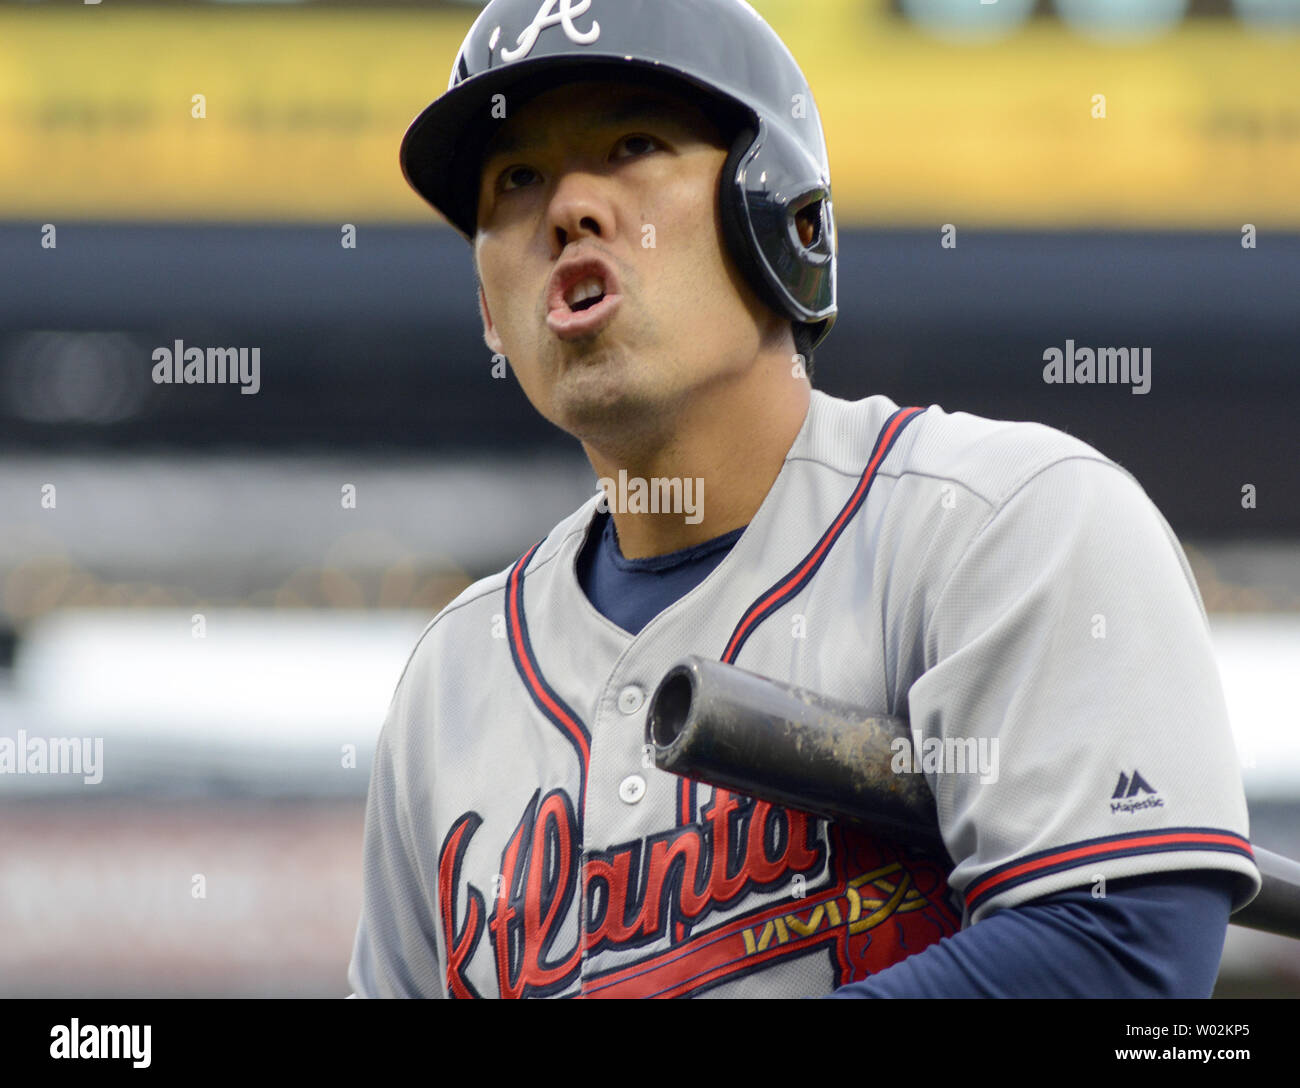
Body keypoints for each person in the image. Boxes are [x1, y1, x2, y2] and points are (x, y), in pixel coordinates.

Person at [347, 0, 1259, 998]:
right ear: (487, 306)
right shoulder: (449, 682)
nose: (567, 207)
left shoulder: (1005, 520)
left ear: (789, 217)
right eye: (515, 178)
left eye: (633, 144)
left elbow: (1120, 954)